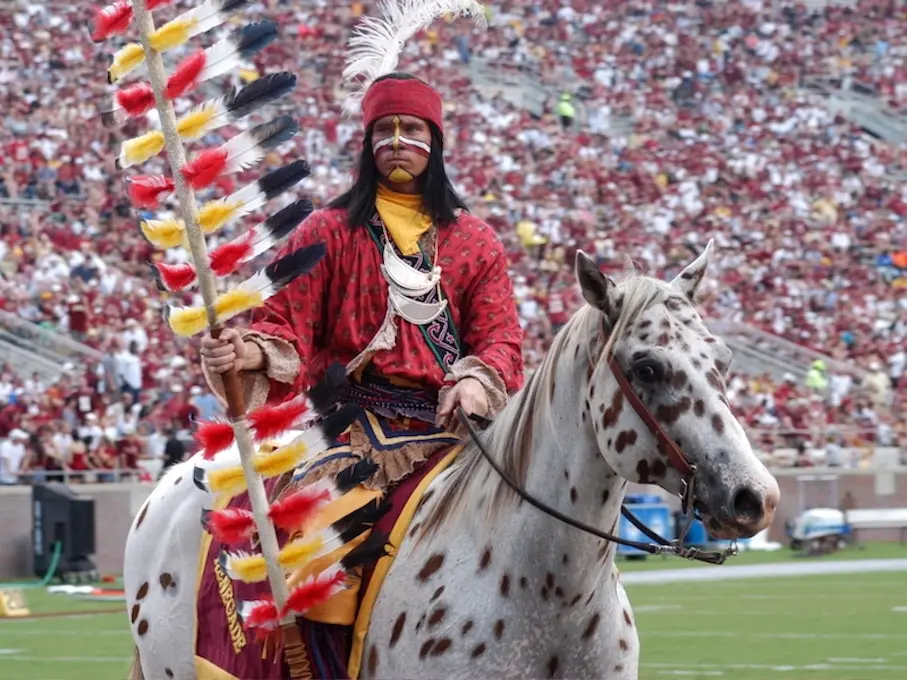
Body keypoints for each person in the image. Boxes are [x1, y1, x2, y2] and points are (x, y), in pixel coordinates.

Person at [198, 70, 524, 678]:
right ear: (368, 142)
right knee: (322, 558)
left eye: (412, 129)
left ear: (436, 142)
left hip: (458, 431)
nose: (397, 140)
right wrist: (248, 353)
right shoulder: (327, 231)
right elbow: (282, 321)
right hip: (353, 429)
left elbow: (502, 337)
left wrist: (477, 379)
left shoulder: (477, 242)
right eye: (385, 129)